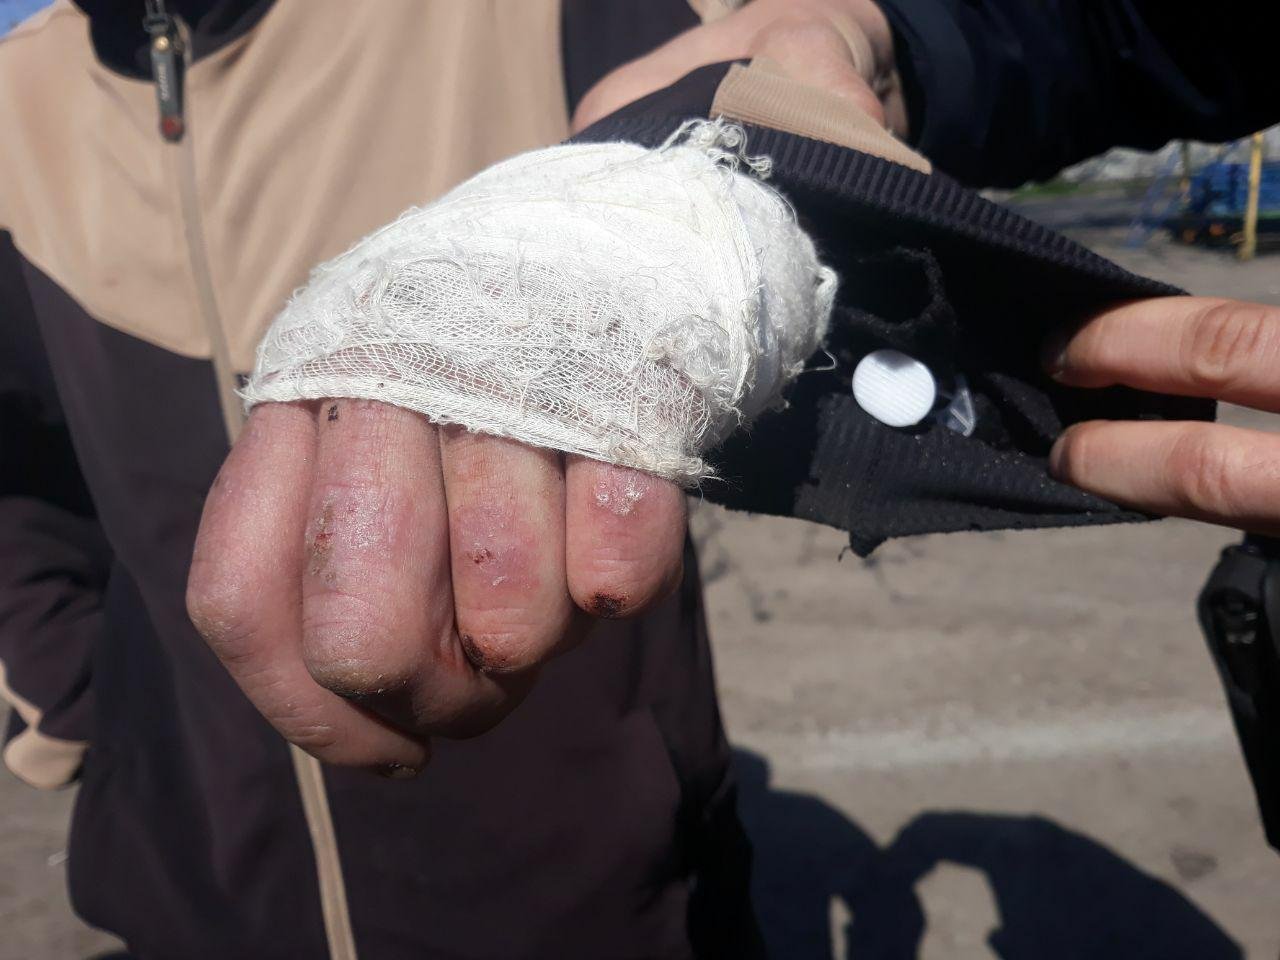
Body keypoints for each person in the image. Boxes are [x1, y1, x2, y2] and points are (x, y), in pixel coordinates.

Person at [2, 3, 1276, 960]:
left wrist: (862, 69)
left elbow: (979, 47)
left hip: (600, 889)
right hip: (189, 895)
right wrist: (86, 712)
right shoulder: (14, 105)